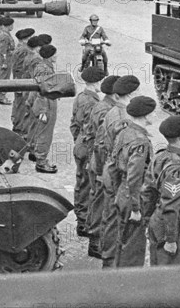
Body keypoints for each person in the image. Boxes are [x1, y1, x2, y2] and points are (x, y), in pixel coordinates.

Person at [99, 75, 141, 268]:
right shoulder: (123, 118)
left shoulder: (113, 112)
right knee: (115, 220)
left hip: (110, 169)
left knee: (109, 217)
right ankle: (110, 261)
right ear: (131, 94)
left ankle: (107, 258)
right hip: (117, 174)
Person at [143, 116, 180, 266]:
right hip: (173, 224)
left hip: (157, 219)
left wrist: (148, 221)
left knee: (157, 266)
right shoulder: (176, 167)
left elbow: (147, 191)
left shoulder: (161, 155)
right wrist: (171, 239)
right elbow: (171, 205)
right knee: (171, 273)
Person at [111, 96, 156, 268]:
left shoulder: (125, 131)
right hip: (133, 195)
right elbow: (135, 176)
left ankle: (119, 275)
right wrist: (136, 208)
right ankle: (128, 286)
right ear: (146, 116)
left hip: (123, 191)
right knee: (133, 246)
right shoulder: (140, 141)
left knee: (123, 239)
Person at [85, 75, 120, 258]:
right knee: (100, 204)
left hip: (98, 162)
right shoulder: (106, 111)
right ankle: (95, 243)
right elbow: (101, 144)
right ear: (115, 95)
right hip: (100, 163)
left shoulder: (103, 106)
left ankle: (96, 239)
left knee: (97, 201)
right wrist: (101, 171)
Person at [71, 66, 106, 237]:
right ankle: (84, 222)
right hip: (88, 148)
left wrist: (79, 141)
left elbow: (74, 124)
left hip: (80, 144)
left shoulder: (80, 97)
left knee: (81, 183)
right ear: (96, 82)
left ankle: (81, 219)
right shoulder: (94, 103)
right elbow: (95, 131)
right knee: (87, 185)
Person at [27, 44, 59, 173]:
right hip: (46, 104)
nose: (57, 56)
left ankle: (34, 153)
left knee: (38, 130)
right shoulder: (44, 69)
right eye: (55, 54)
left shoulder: (43, 66)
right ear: (50, 56)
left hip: (43, 102)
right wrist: (44, 111)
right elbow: (43, 90)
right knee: (45, 133)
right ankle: (41, 162)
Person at [20, 34, 53, 139]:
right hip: (34, 93)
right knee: (34, 121)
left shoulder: (37, 60)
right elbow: (40, 86)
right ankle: (30, 141)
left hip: (30, 89)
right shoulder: (38, 62)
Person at [10, 28, 35, 135]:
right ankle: (19, 128)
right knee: (22, 106)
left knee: (18, 104)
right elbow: (21, 68)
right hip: (22, 81)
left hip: (18, 80)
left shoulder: (19, 48)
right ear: (26, 39)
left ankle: (17, 125)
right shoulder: (24, 51)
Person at [0, 16, 15, 104]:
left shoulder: (2, 33)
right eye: (12, 25)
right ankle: (2, 97)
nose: (13, 27)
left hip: (1, 59)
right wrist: (5, 62)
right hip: (5, 60)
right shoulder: (5, 36)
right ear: (9, 26)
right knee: (4, 79)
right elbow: (3, 50)